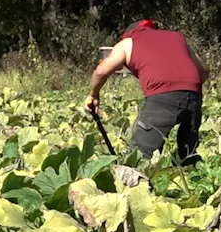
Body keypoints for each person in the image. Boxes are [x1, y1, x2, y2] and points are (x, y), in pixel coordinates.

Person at [85, 19, 211, 165]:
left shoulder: (127, 42)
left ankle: (136, 186)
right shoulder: (176, 37)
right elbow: (204, 70)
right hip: (193, 95)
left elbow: (100, 72)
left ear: (129, 33)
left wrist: (93, 94)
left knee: (140, 158)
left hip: (162, 97)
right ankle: (196, 183)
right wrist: (186, 89)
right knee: (189, 155)